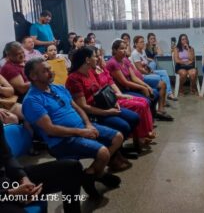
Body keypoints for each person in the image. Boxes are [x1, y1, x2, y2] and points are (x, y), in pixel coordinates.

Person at [22, 57, 125, 198]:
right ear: (33, 76)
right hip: (61, 140)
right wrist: (82, 132)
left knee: (118, 137)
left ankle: (91, 174)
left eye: (49, 68)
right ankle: (98, 174)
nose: (51, 72)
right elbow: (50, 129)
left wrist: (88, 124)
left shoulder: (57, 87)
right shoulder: (32, 100)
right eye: (45, 70)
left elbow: (77, 108)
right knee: (103, 153)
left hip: (82, 127)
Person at [65, 47, 139, 165]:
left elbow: (103, 91)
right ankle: (113, 155)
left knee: (134, 117)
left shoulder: (90, 72)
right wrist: (108, 112)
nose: (98, 58)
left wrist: (113, 102)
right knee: (124, 126)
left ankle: (118, 150)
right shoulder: (74, 78)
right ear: (87, 59)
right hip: (93, 113)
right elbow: (84, 107)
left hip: (104, 106)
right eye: (95, 56)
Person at [0, 120, 83, 213]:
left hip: (6, 179)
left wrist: (23, 178)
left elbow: (7, 156)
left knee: (71, 168)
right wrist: (10, 194)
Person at [91, 46, 155, 149]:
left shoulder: (102, 68)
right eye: (96, 56)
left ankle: (144, 133)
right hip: (107, 102)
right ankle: (140, 137)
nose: (99, 58)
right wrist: (119, 95)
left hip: (114, 96)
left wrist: (120, 94)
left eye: (100, 55)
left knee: (144, 101)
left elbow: (111, 83)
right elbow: (101, 92)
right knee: (140, 105)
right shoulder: (95, 71)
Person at [107, 40, 173, 121]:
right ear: (114, 50)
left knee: (155, 93)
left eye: (125, 48)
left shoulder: (125, 60)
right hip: (123, 90)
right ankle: (148, 120)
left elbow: (134, 77)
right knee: (147, 99)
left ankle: (153, 115)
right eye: (121, 48)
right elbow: (125, 82)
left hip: (131, 87)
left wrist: (146, 86)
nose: (124, 51)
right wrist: (143, 88)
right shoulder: (112, 63)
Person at [132, 35, 177, 101]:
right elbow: (140, 69)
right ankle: (162, 99)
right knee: (159, 77)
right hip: (143, 75)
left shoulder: (142, 51)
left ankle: (169, 93)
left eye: (143, 41)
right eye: (141, 42)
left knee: (164, 72)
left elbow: (145, 60)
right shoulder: (135, 53)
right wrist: (150, 72)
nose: (143, 43)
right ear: (136, 44)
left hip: (148, 71)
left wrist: (150, 66)